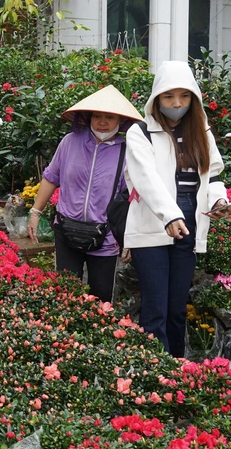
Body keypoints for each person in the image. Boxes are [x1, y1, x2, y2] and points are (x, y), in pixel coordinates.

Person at [123, 61, 230, 358]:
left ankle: (177, 368)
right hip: (153, 224)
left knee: (176, 308)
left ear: (193, 98)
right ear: (156, 98)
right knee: (155, 308)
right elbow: (146, 179)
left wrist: (218, 201)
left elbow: (213, 176)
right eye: (169, 97)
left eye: (184, 96)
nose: (177, 103)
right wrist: (169, 215)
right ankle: (157, 372)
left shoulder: (200, 131)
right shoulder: (140, 132)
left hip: (190, 220)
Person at [27, 85, 144, 303]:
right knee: (65, 295)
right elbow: (51, 177)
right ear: (88, 117)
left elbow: (133, 198)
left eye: (109, 116)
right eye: (97, 115)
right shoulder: (70, 142)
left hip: (105, 237)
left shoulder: (127, 152)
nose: (102, 121)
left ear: (120, 120)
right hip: (66, 231)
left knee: (100, 300)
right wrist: (35, 213)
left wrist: (129, 238)